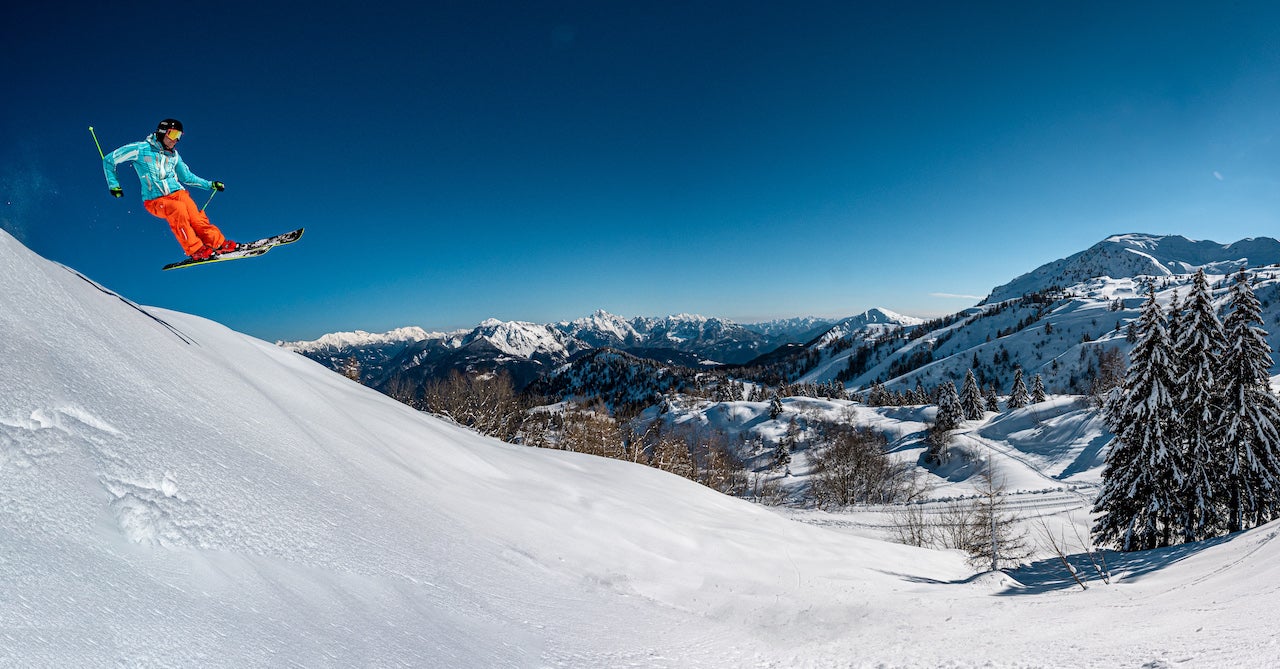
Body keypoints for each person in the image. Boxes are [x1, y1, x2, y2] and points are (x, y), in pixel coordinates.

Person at [103, 118, 237, 261]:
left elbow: (187, 177)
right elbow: (110, 159)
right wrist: (114, 185)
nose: (176, 140)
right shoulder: (140, 149)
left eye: (179, 136)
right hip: (155, 200)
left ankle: (219, 244)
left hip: (178, 193)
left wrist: (210, 184)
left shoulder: (174, 156)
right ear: (162, 132)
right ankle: (196, 250)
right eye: (173, 135)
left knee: (196, 218)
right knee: (177, 209)